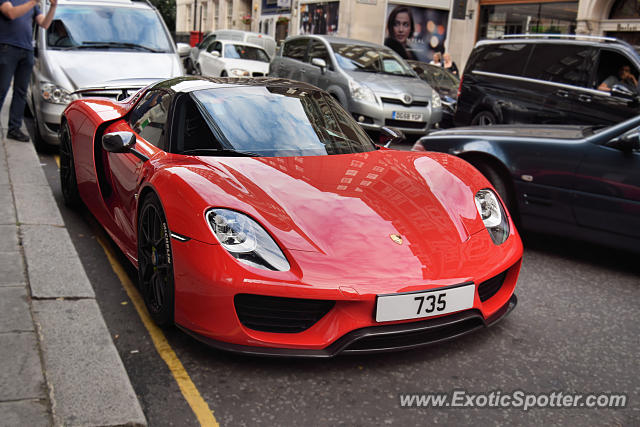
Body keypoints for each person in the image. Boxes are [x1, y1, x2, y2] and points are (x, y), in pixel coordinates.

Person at [0, 0, 57, 142]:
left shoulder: (31, 4)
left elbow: (44, 24)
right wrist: (33, 2)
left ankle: (14, 128)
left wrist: (53, 7)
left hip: (27, 50)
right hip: (8, 47)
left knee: (21, 91)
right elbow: (11, 13)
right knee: (2, 88)